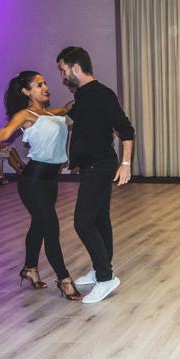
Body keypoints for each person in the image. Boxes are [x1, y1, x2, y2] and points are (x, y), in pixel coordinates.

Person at [0, 71, 81, 300]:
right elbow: (5, 132)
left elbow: (67, 109)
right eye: (38, 85)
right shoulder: (25, 115)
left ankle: (29, 268)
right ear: (26, 91)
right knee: (51, 227)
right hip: (33, 181)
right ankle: (64, 279)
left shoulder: (49, 113)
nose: (45, 88)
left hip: (50, 180)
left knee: (39, 225)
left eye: (45, 83)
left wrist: (84, 89)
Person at [56, 47, 134, 304]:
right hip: (92, 166)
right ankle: (102, 267)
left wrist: (125, 163)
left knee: (82, 222)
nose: (62, 76)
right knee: (100, 219)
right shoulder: (83, 96)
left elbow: (126, 129)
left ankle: (105, 277)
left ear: (76, 68)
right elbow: (67, 118)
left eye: (63, 70)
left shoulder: (101, 94)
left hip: (100, 166)